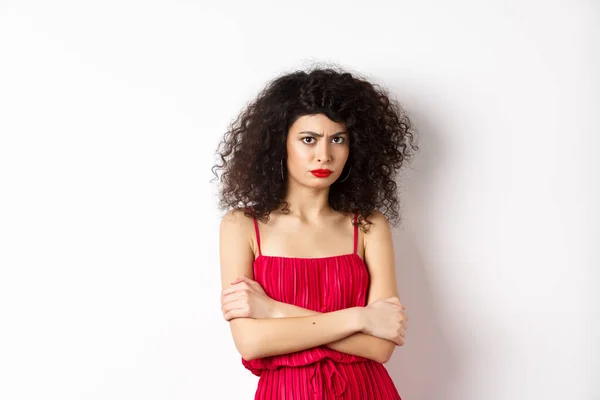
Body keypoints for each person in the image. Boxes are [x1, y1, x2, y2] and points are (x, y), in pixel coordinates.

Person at [212, 65, 419, 399]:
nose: (324, 154)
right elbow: (251, 343)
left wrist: (275, 311)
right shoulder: (242, 226)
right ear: (280, 143)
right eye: (309, 139)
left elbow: (381, 346)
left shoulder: (368, 226)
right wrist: (361, 318)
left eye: (338, 139)